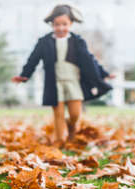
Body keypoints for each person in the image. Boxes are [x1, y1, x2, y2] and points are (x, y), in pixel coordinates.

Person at [12, 4, 115, 146]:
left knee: (75, 114)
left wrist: (104, 74)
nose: (60, 28)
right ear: (52, 24)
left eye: (64, 24)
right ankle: (59, 140)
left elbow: (91, 60)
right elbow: (33, 59)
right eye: (56, 24)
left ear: (71, 23)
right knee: (58, 114)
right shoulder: (44, 42)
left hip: (73, 82)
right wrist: (24, 75)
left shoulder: (78, 41)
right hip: (54, 83)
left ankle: (71, 126)